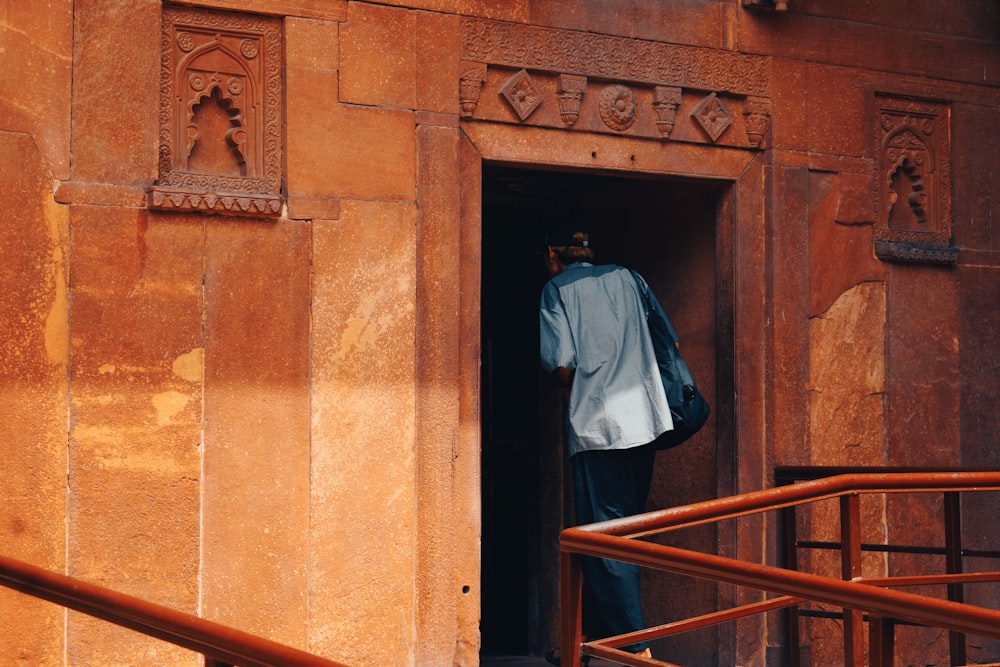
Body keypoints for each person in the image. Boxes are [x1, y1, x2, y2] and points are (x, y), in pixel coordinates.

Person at [539, 224, 673, 665]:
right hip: (646, 420)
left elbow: (561, 366)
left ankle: (638, 650)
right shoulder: (630, 277)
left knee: (606, 538)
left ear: (552, 254)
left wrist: (573, 396)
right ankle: (590, 643)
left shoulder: (556, 290)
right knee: (623, 533)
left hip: (599, 429)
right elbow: (665, 340)